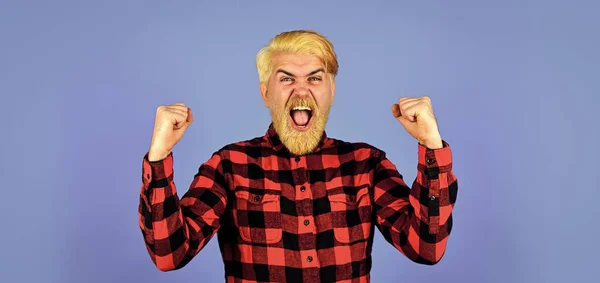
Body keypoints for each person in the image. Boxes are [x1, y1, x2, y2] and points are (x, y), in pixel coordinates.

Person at [138, 30, 458, 283]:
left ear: (331, 91)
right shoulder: (228, 166)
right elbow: (169, 255)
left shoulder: (367, 165)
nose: (302, 91)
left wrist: (431, 145)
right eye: (287, 78)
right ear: (266, 93)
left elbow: (425, 248)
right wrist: (160, 155)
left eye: (315, 79)